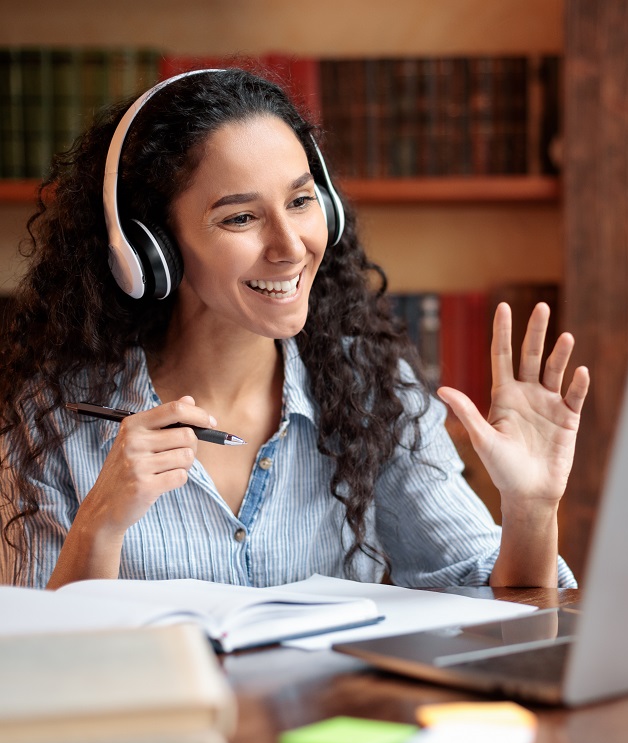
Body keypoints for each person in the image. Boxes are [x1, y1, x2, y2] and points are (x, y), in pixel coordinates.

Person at [0, 67, 589, 591]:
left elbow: (492, 596)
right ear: (149, 249)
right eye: (240, 217)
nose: (290, 247)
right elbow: (39, 668)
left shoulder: (372, 387)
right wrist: (100, 523)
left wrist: (532, 508)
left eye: (301, 202)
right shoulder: (52, 416)